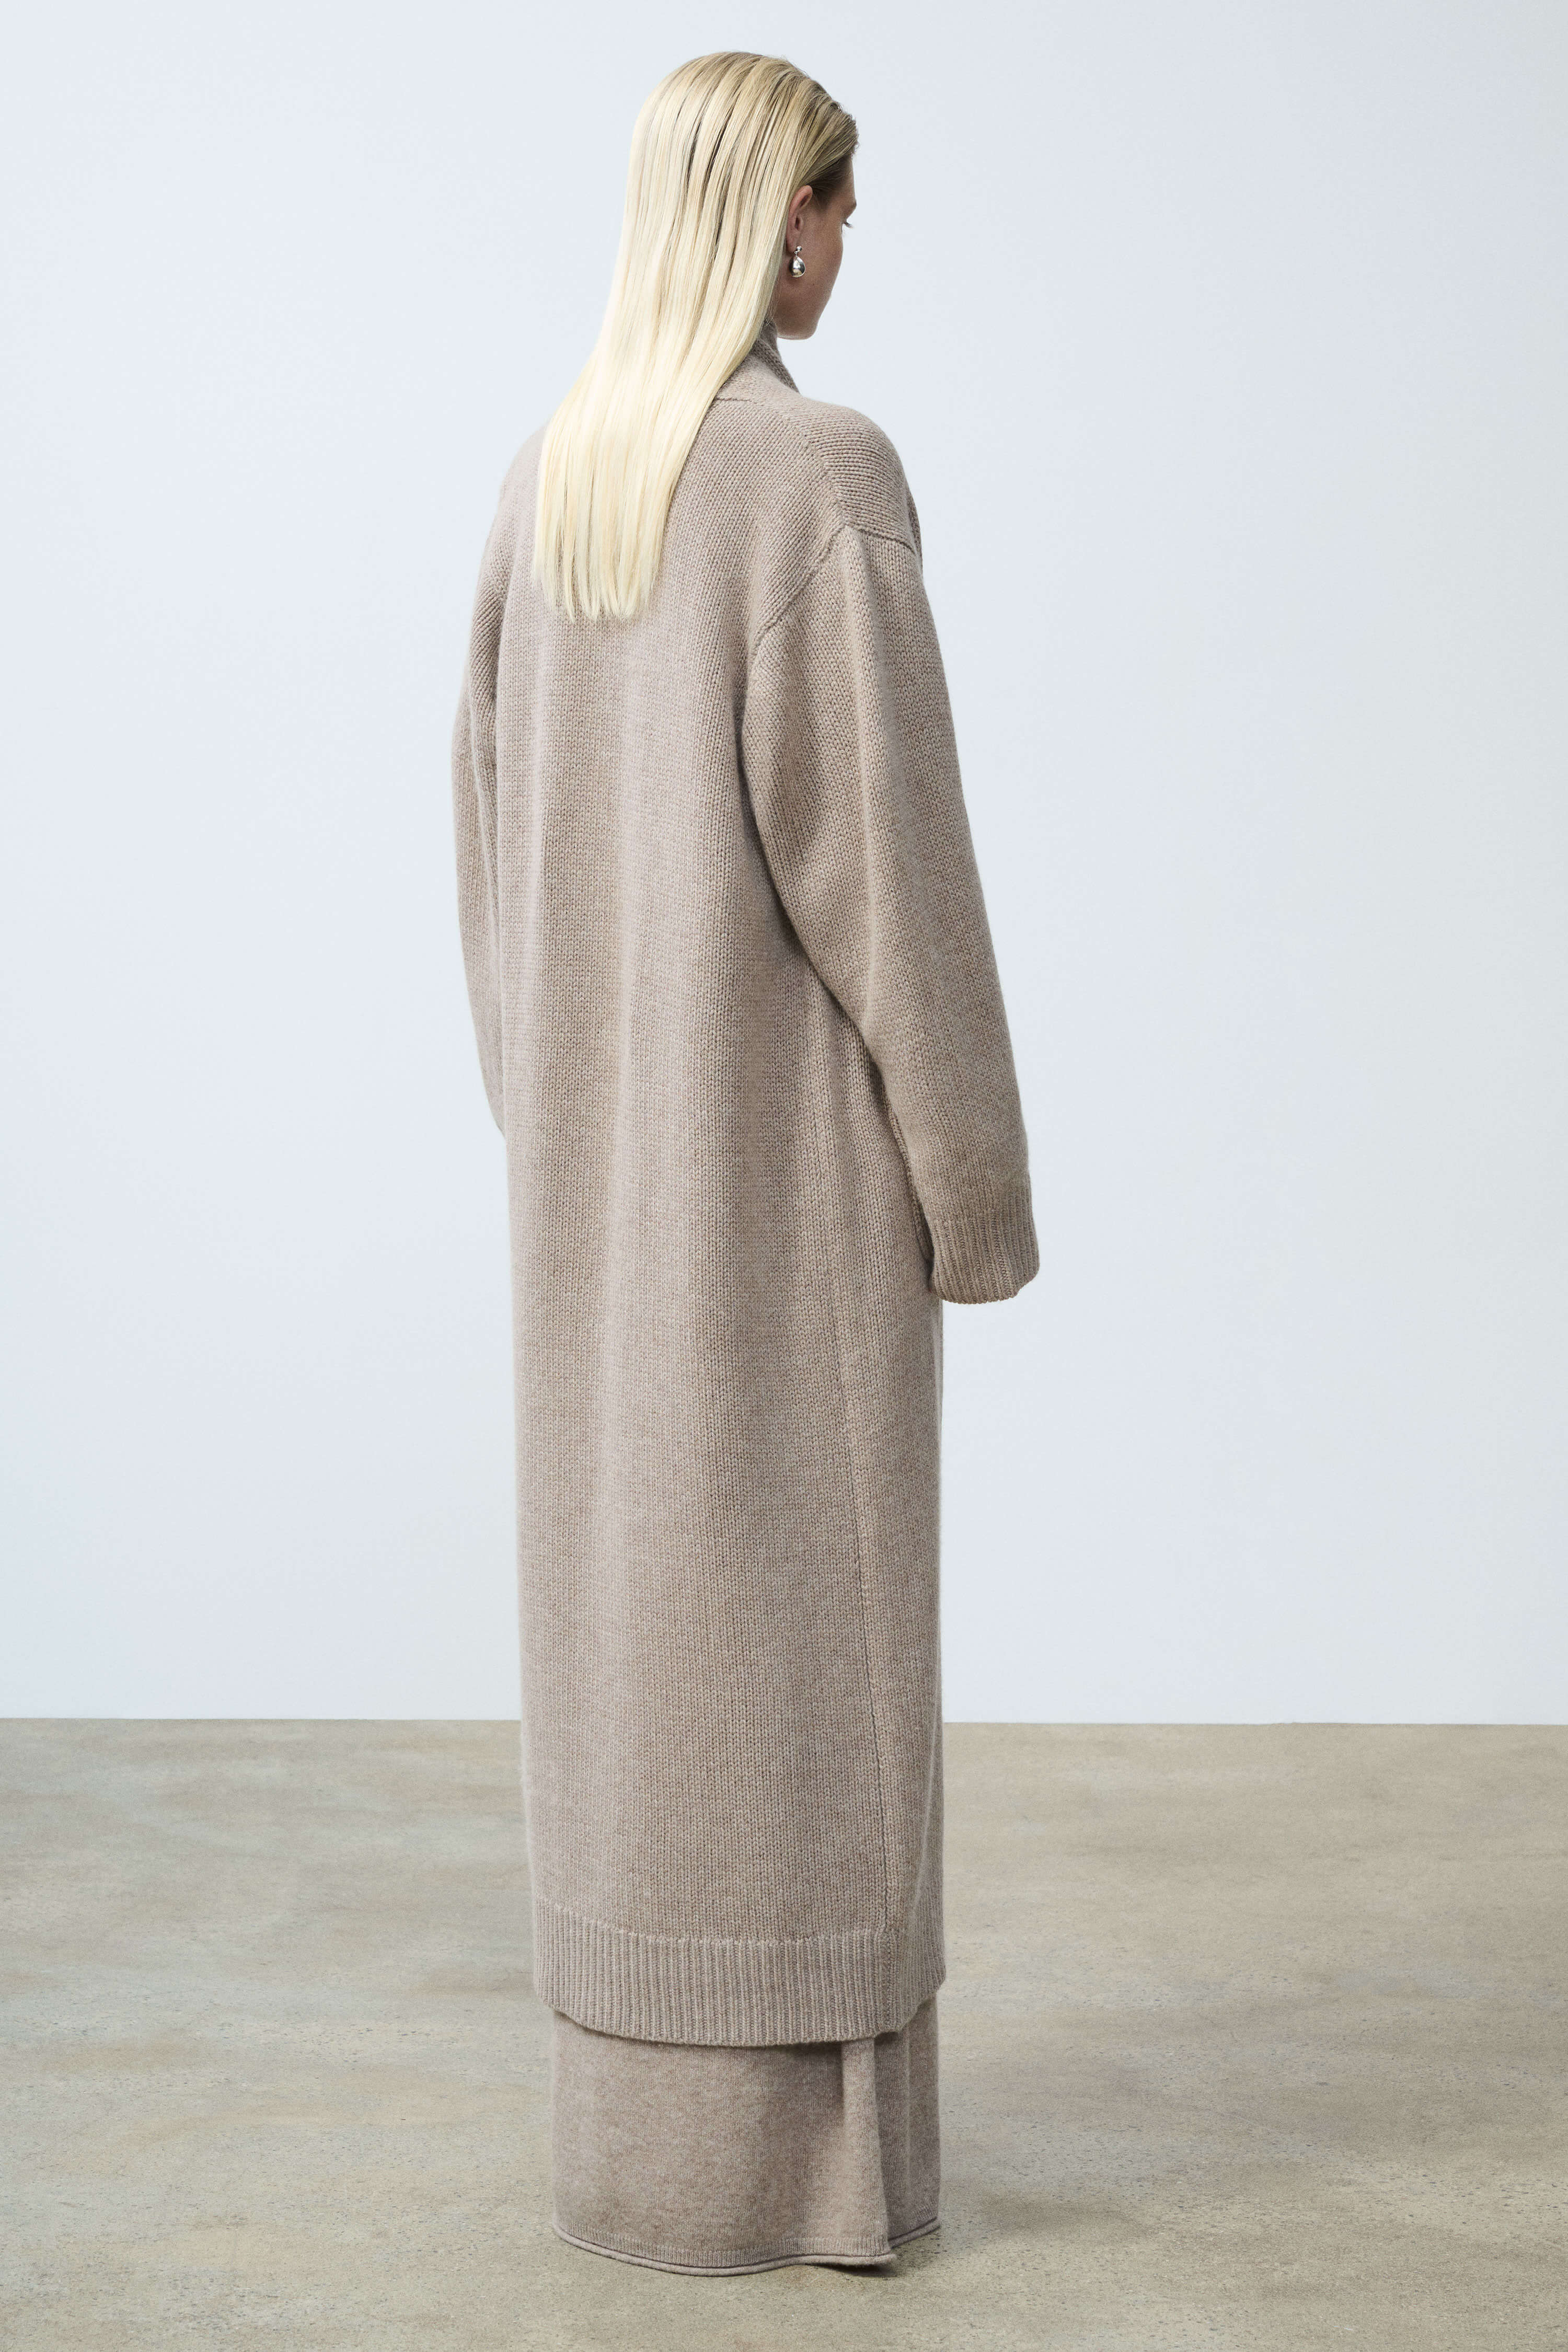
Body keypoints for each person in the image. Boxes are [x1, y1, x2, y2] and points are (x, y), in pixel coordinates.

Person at [451, 51, 1038, 2275]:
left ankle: (638, 2165)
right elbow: (899, 881)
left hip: (602, 1209)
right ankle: (800, 2189)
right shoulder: (815, 477)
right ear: (767, 215)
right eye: (833, 201)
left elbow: (484, 857)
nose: (848, 239)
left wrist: (564, 1128)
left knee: (639, 1670)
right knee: (809, 1688)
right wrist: (974, 1195)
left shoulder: (555, 483)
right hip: (789, 1207)